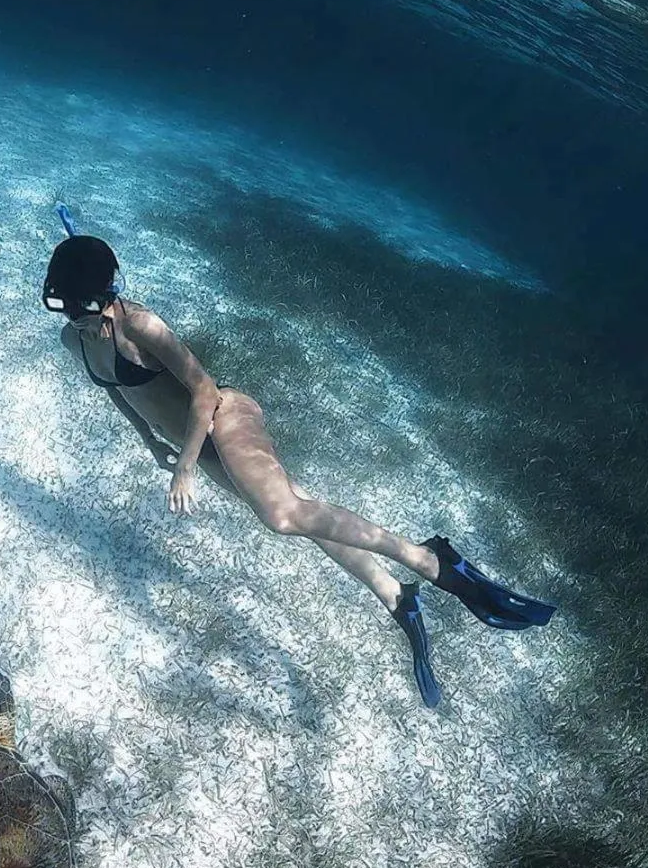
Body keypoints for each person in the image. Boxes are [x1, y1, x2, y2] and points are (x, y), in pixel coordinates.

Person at [42, 232, 556, 709]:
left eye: (83, 306)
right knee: (304, 514)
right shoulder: (75, 339)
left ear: (109, 291)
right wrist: (151, 442)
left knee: (283, 516)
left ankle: (426, 559)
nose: (74, 318)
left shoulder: (142, 326)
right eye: (60, 306)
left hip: (222, 420)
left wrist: (187, 468)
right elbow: (118, 394)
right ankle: (396, 594)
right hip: (190, 442)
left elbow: (203, 389)